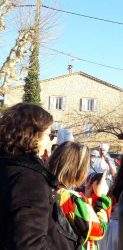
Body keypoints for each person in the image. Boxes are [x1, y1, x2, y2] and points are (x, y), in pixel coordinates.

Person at [0, 103, 73, 249]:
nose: (51, 141)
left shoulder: (8, 167)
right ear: (33, 136)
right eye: (50, 135)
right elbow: (29, 243)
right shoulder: (29, 178)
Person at [47, 141, 112, 250]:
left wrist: (86, 198)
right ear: (77, 169)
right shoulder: (71, 198)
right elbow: (98, 231)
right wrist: (101, 198)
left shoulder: (49, 189)